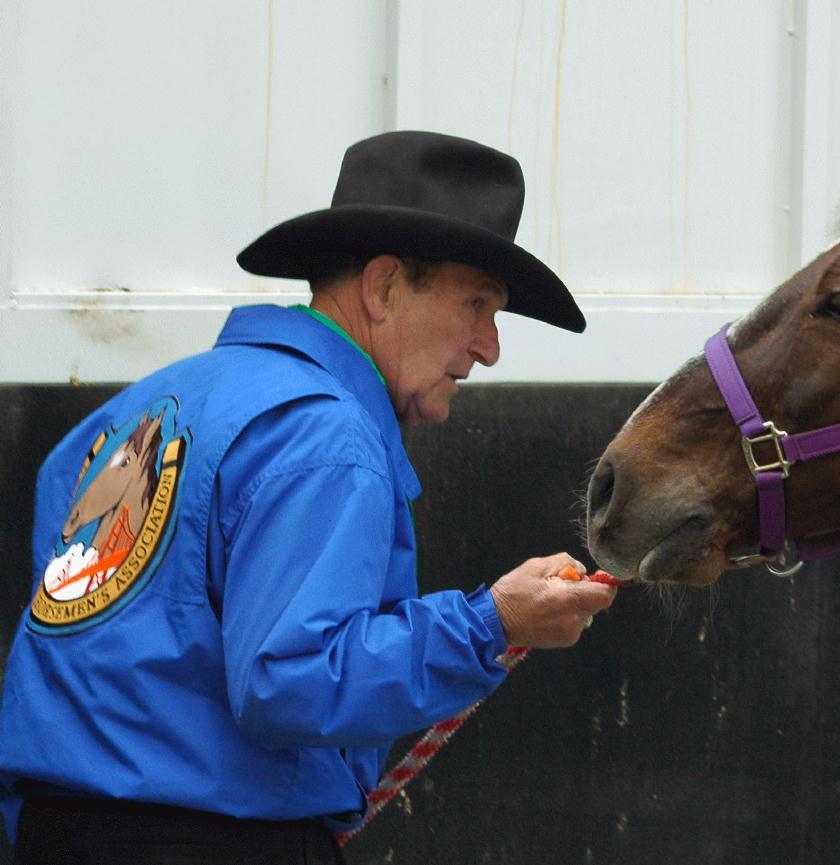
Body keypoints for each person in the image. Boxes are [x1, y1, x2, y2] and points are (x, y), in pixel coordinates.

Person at [0, 130, 617, 864]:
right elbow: (288, 681)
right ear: (384, 286)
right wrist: (491, 622)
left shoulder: (137, 411)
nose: (489, 345)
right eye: (477, 303)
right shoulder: (329, 434)